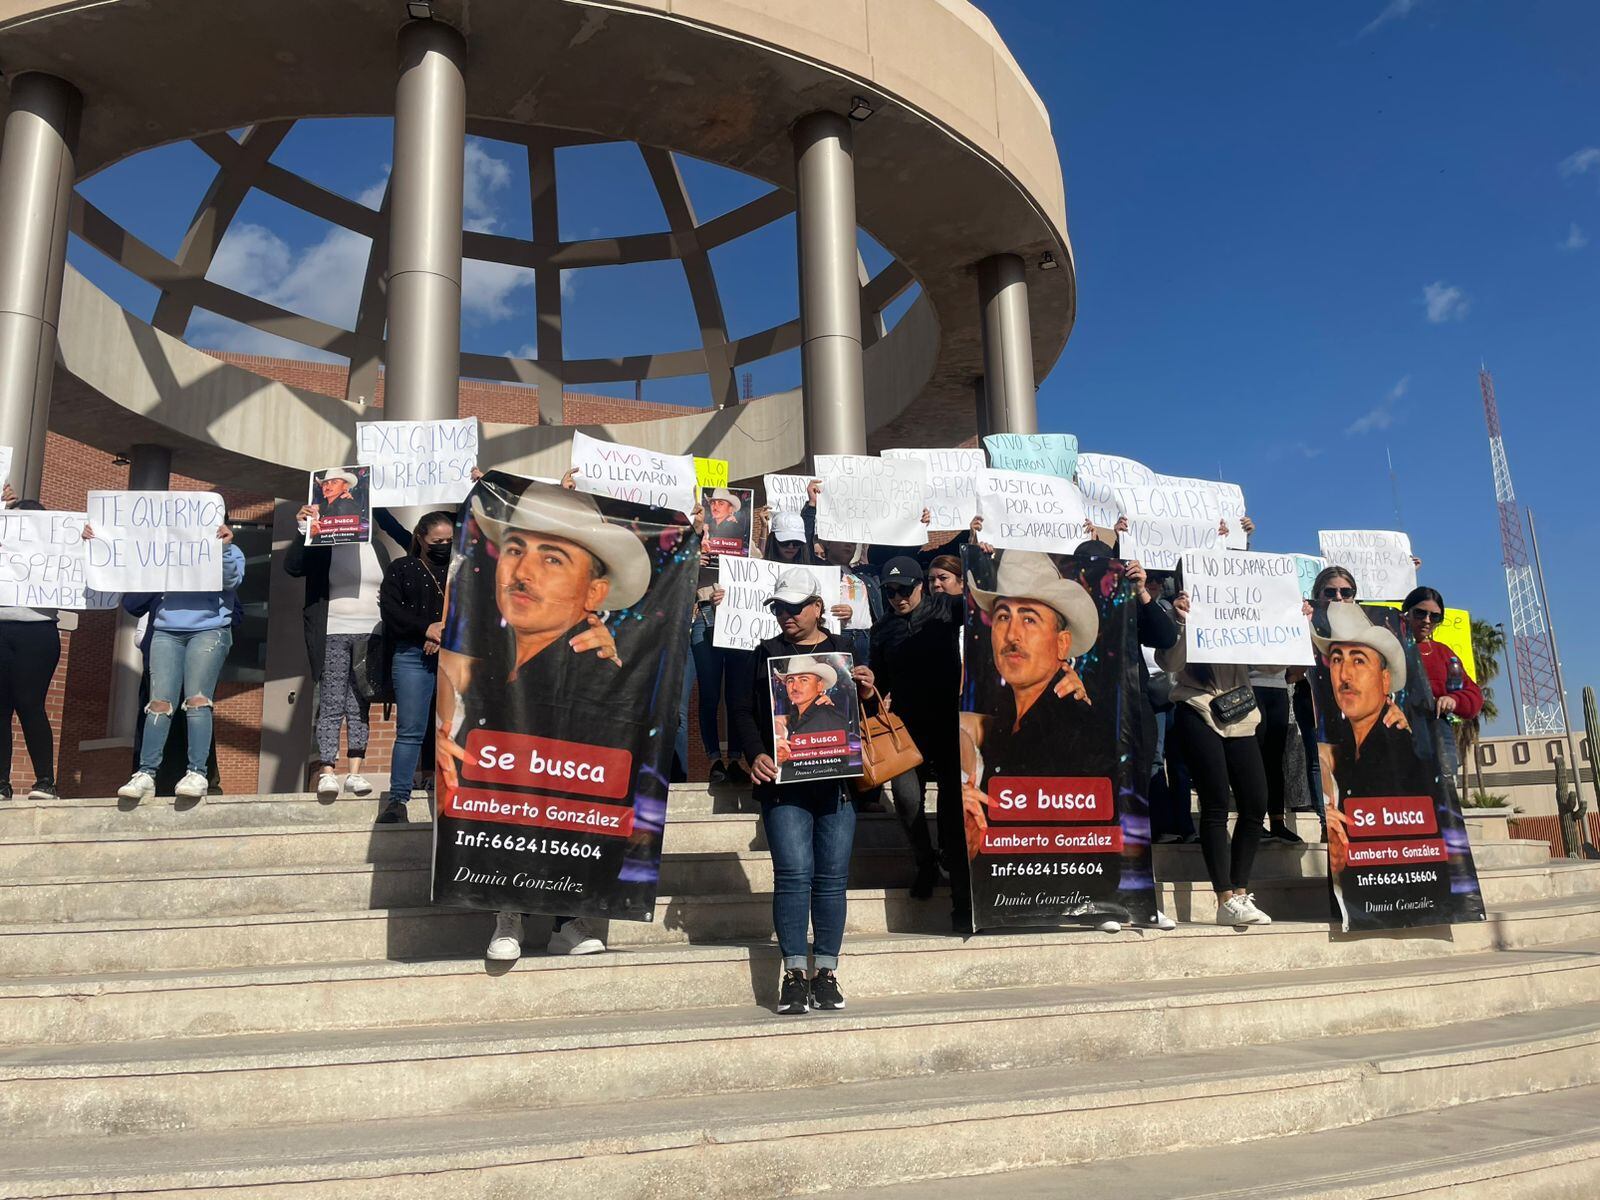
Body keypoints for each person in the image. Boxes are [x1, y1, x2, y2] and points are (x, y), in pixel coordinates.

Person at [436, 484, 635, 961]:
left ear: (594, 592)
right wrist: (445, 731)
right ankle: (509, 915)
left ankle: (567, 917)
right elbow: (453, 673)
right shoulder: (481, 647)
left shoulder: (597, 663)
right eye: (514, 549)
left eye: (552, 559)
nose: (522, 572)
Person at [732, 564, 876, 1015]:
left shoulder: (845, 651)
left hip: (837, 786)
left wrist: (869, 693)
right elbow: (740, 712)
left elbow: (862, 719)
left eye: (795, 607)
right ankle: (794, 975)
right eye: (780, 608)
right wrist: (755, 752)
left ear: (818, 607)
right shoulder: (762, 654)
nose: (787, 616)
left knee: (831, 881)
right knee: (794, 877)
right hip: (784, 786)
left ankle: (826, 974)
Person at [1157, 589, 1274, 928]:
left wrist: (1293, 623)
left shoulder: (1238, 610)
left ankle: (1240, 892)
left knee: (1255, 802)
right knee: (1216, 802)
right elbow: (1171, 663)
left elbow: (1270, 664)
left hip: (1240, 713)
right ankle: (1224, 897)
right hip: (1196, 709)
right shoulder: (1182, 613)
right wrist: (1181, 621)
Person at [110, 517, 245, 801]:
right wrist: (98, 539)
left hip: (209, 630)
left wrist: (222, 549)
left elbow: (231, 580)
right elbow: (134, 569)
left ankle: (197, 772)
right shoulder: (167, 550)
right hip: (166, 630)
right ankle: (146, 773)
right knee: (158, 704)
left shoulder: (232, 551)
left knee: (198, 701)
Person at [284, 505, 409, 802]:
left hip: (371, 633)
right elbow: (293, 567)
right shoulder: (325, 544)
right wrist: (305, 529)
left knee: (359, 703)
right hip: (332, 630)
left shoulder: (377, 547)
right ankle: (327, 769)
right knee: (331, 700)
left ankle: (355, 769)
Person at [869, 556, 963, 908]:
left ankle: (954, 866)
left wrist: (980, 559)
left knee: (953, 803)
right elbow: (878, 682)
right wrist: (867, 685)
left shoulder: (946, 608)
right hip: (906, 729)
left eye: (904, 589)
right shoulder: (881, 630)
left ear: (921, 585)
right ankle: (925, 861)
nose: (898, 597)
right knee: (907, 799)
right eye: (890, 592)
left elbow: (985, 604)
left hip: (949, 723)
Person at [378, 510, 456, 824]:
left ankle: (454, 794)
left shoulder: (461, 571)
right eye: (438, 541)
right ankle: (398, 799)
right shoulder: (403, 568)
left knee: (453, 730)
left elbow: (475, 612)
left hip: (452, 658)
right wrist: (427, 629)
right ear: (421, 539)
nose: (444, 546)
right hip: (412, 655)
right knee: (410, 730)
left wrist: (443, 632)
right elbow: (391, 611)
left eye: (450, 540)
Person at [0, 495, 64, 800]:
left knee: (30, 704)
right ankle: (1, 783)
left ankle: (45, 781)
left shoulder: (56, 548)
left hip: (37, 631)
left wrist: (87, 540)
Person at [1401, 586, 1482, 724]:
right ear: (1406, 613)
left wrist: (1453, 700)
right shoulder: (1388, 647)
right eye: (1420, 613)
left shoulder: (1443, 652)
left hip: (1436, 730)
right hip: (1394, 729)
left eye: (1434, 616)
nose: (1427, 620)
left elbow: (1474, 696)